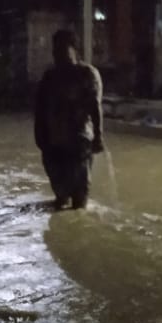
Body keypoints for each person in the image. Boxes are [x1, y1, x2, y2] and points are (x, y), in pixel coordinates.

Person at [34, 29, 105, 210]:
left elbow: (95, 107)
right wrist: (39, 135)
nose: (57, 54)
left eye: (62, 49)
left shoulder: (87, 74)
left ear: (75, 49)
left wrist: (98, 136)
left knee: (80, 201)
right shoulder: (49, 77)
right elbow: (40, 108)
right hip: (54, 143)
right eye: (55, 50)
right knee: (60, 196)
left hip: (79, 143)